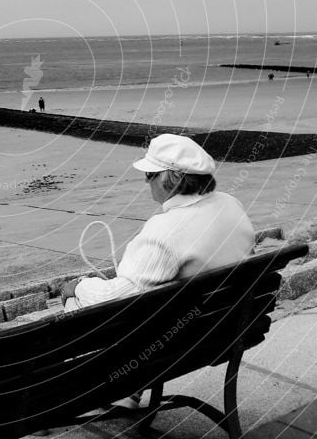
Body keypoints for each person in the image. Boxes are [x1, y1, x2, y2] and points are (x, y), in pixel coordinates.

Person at [61, 133, 255, 311]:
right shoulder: (230, 203)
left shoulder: (165, 230)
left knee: (74, 304)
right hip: (233, 325)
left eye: (149, 175)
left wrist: (79, 285)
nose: (146, 182)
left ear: (167, 178)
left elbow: (112, 297)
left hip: (187, 339)